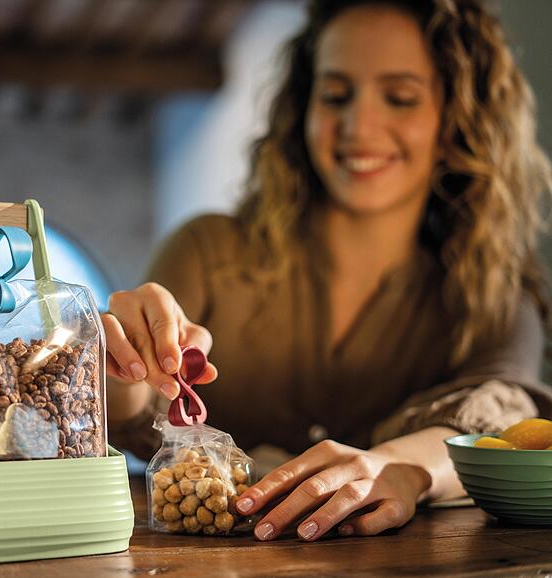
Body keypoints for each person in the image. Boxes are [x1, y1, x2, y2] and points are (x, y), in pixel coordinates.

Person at [104, 0, 552, 542]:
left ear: (458, 123)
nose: (359, 125)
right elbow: (135, 417)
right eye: (336, 95)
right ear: (302, 110)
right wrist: (118, 366)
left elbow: (498, 414)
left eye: (401, 98)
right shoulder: (207, 251)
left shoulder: (494, 293)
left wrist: (399, 468)